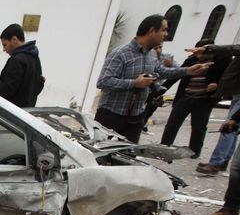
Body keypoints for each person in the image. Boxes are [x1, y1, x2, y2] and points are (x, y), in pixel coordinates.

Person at [95, 14, 211, 143]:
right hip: (111, 116)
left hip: (136, 117)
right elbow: (103, 81)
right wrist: (134, 83)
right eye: (163, 30)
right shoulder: (120, 53)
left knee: (127, 158)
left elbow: (160, 72)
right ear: (151, 31)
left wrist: (188, 71)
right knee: (102, 159)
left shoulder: (152, 54)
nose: (166, 34)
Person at [159, 39, 229, 158]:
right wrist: (160, 90)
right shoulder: (191, 60)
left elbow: (227, 79)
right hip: (186, 96)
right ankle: (164, 147)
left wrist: (217, 86)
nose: (197, 55)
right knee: (173, 123)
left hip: (204, 99)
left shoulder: (220, 62)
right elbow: (175, 76)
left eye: (200, 52)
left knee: (199, 127)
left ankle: (195, 151)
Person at [196, 42, 240, 175]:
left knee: (229, 127)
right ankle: (222, 161)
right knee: (233, 127)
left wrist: (208, 48)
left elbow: (233, 48)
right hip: (237, 92)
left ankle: (215, 163)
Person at [0, 24, 44, 107]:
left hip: (12, 112)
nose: (4, 49)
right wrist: (2, 80)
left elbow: (7, 91)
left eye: (5, 45)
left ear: (14, 39)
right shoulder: (34, 57)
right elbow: (32, 87)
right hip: (27, 112)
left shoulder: (16, 60)